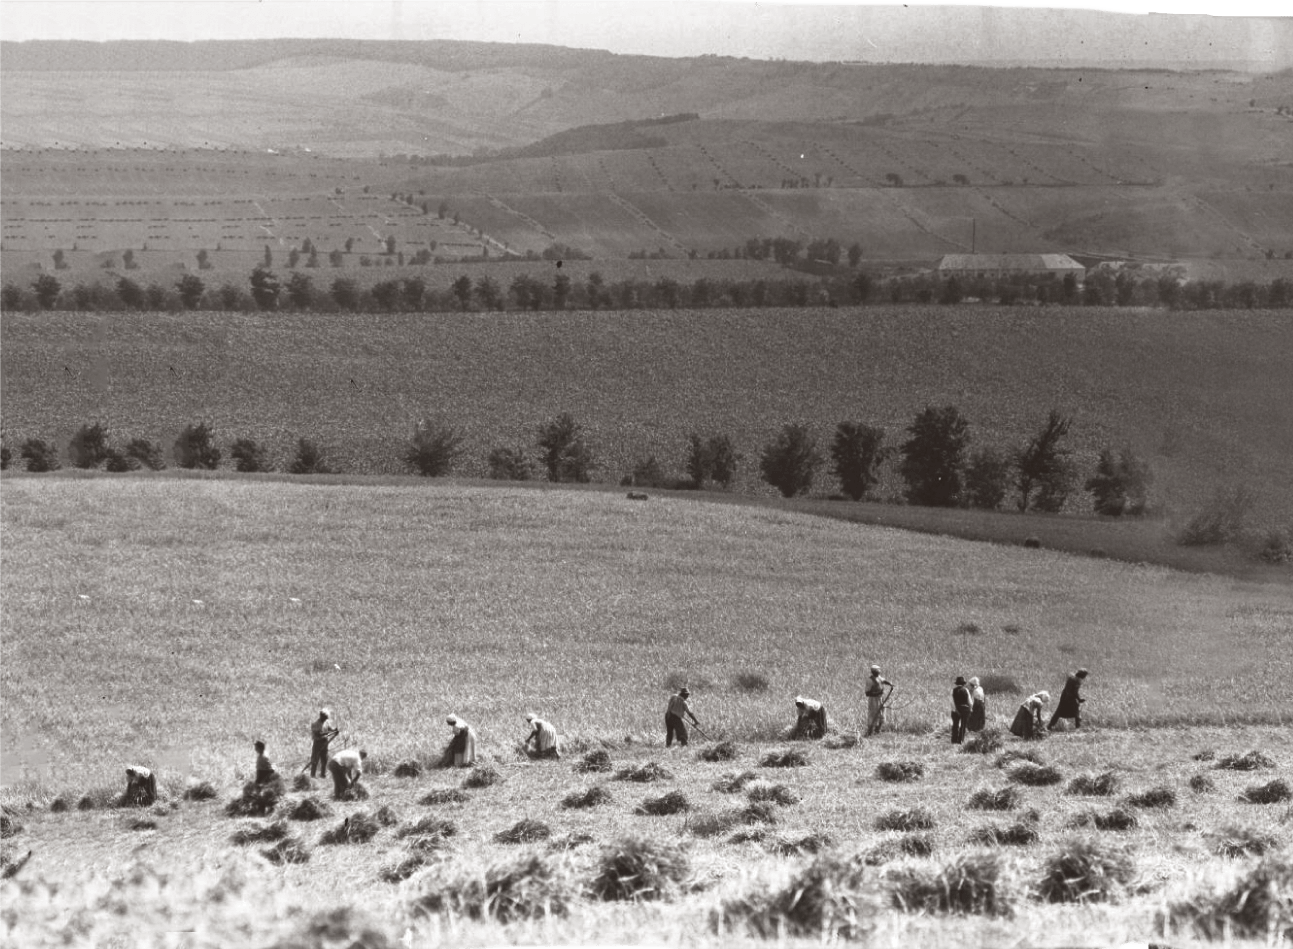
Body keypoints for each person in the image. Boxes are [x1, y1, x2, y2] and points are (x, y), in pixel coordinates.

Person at [309, 709, 339, 778]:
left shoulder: (326, 723)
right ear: (321, 716)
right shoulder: (315, 724)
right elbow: (320, 734)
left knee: (324, 760)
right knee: (315, 760)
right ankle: (312, 775)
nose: (327, 718)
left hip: (324, 743)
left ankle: (323, 775)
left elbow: (330, 730)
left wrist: (335, 731)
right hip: (317, 744)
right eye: (325, 717)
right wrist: (331, 733)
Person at [864, 666, 892, 736]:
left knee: (881, 714)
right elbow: (867, 693)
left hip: (880, 698)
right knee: (873, 715)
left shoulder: (879, 677)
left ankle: (877, 731)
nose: (879, 672)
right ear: (873, 672)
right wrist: (878, 693)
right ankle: (870, 732)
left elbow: (883, 681)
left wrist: (890, 684)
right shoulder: (870, 680)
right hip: (873, 700)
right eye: (877, 671)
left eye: (879, 671)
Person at [950, 677, 972, 744]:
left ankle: (954, 740)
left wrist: (955, 709)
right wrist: (970, 708)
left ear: (957, 683)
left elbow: (952, 701)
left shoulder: (953, 690)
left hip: (956, 709)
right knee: (963, 725)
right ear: (963, 684)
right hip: (965, 709)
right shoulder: (966, 690)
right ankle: (961, 740)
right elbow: (969, 701)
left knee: (955, 725)